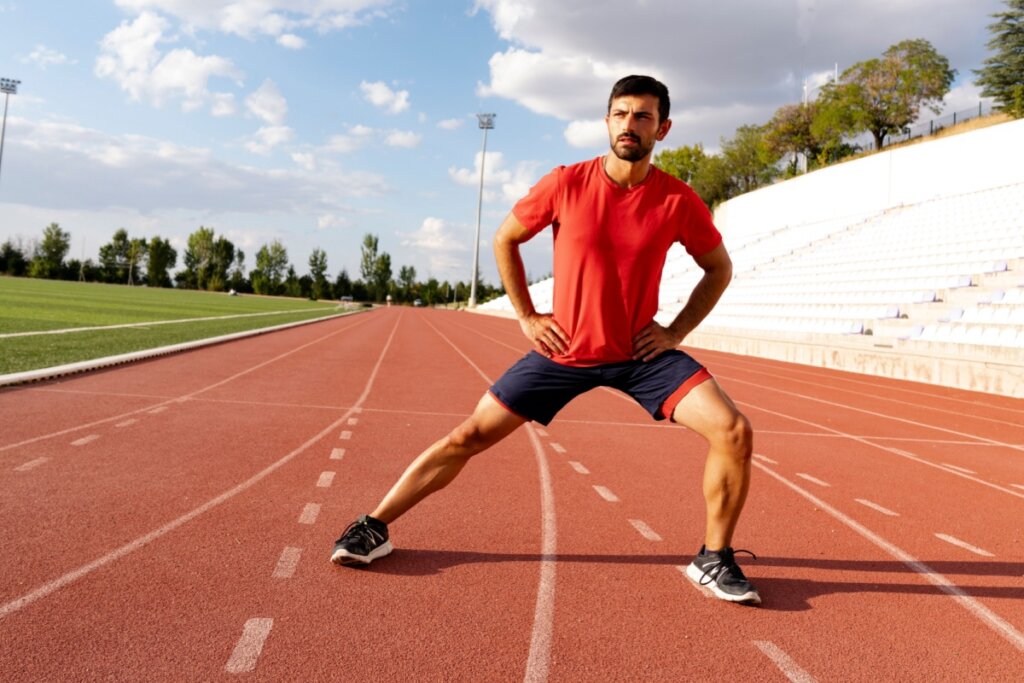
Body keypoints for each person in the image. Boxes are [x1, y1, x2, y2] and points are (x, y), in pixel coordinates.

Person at [331, 75, 759, 605]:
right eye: (621, 114)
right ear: (607, 122)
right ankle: (373, 525)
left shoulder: (677, 200)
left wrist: (674, 331)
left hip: (640, 356)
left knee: (733, 431)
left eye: (643, 116)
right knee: (469, 436)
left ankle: (713, 558)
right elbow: (505, 237)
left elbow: (718, 268)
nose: (630, 125)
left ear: (662, 129)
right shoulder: (565, 183)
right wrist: (528, 315)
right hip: (566, 350)